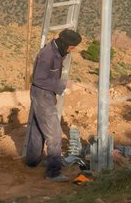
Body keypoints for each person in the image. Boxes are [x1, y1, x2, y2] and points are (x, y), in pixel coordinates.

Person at [24, 28, 82, 182]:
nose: (73, 50)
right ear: (64, 44)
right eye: (72, 47)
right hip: (42, 94)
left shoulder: (57, 52)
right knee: (54, 135)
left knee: (38, 128)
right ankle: (53, 173)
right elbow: (38, 79)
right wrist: (63, 84)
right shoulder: (48, 55)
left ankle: (32, 161)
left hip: (44, 94)